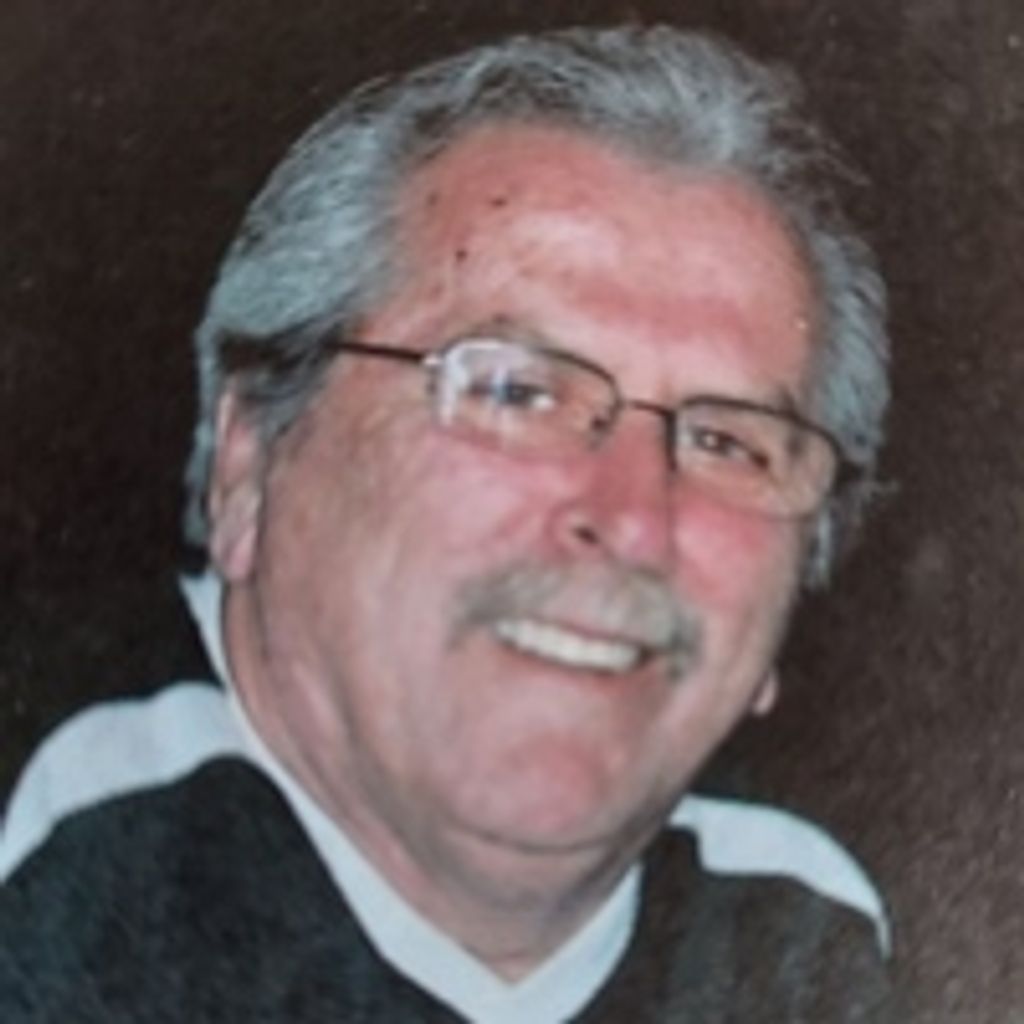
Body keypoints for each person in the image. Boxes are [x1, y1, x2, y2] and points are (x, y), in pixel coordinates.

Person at [0, 24, 895, 1022]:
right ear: (248, 463)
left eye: (729, 443)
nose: (635, 521)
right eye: (516, 391)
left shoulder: (824, 930)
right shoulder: (55, 862)